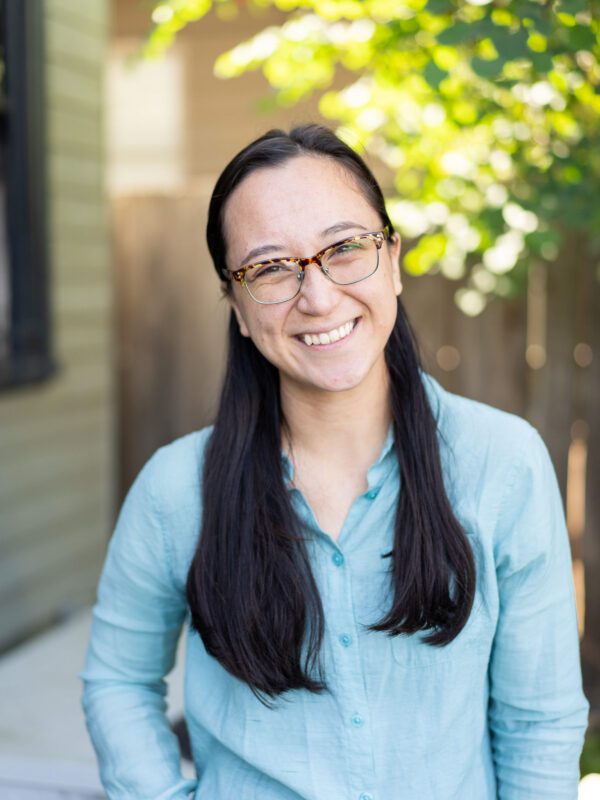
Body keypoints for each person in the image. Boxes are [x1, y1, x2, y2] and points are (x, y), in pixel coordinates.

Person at [80, 124, 589, 799]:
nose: (317, 297)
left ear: (393, 259)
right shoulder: (176, 491)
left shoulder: (504, 465)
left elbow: (538, 722)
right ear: (234, 303)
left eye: (346, 248)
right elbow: (118, 680)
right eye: (270, 268)